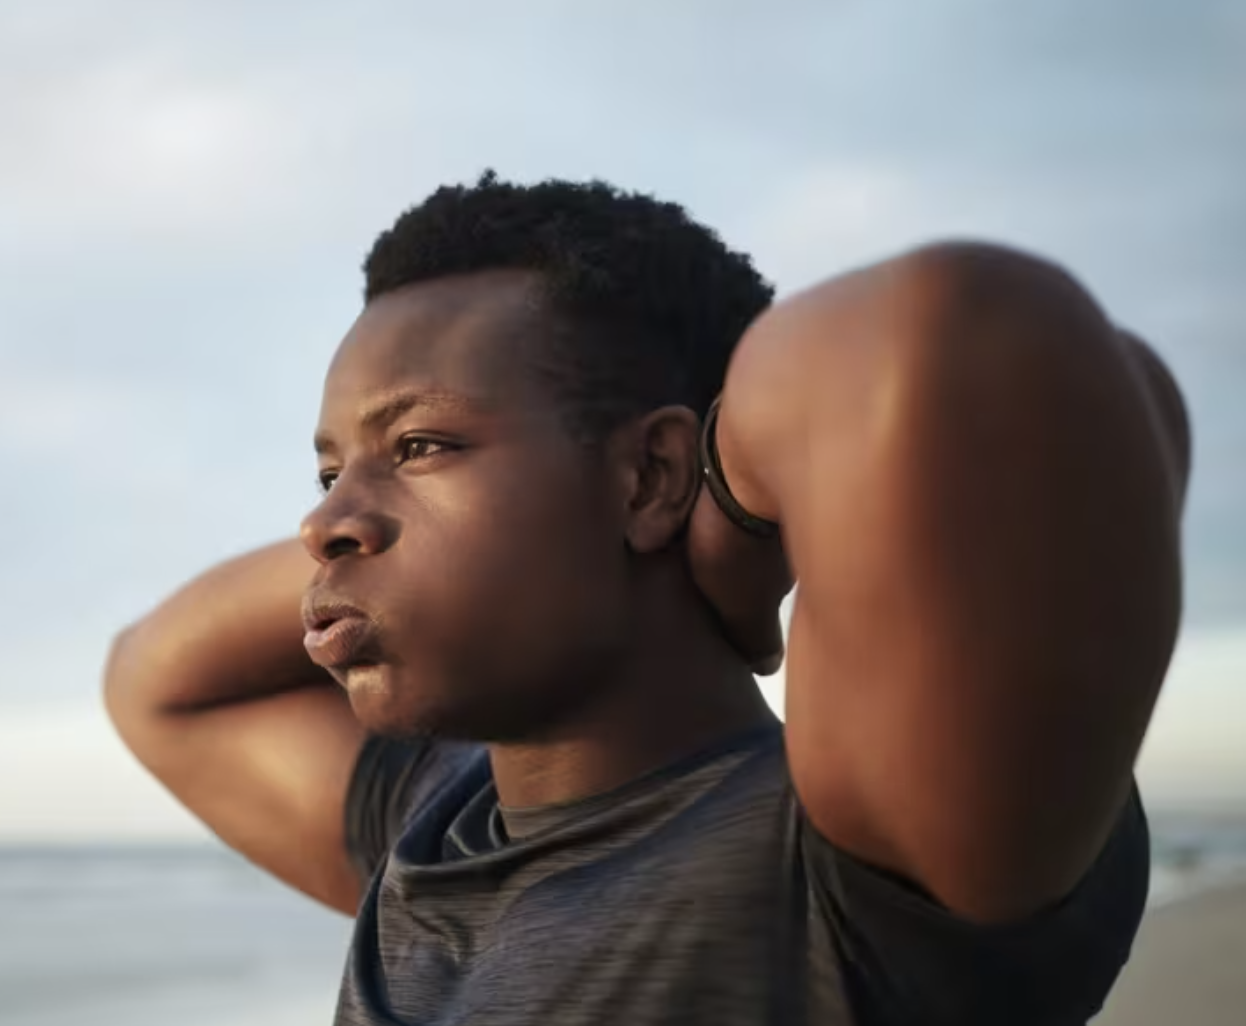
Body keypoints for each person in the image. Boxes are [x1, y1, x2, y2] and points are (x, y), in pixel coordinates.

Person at [102, 172, 1191, 1025]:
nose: (323, 524)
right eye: (328, 472)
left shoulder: (857, 861)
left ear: (651, 477)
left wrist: (739, 519)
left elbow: (960, 335)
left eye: (421, 444)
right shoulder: (433, 820)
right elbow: (153, 677)